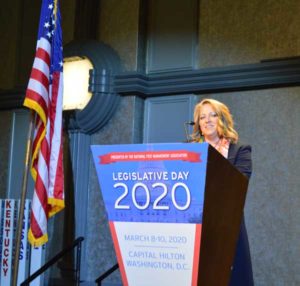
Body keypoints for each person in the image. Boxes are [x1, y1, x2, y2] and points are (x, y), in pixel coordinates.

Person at [191, 98, 254, 286]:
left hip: (228, 225)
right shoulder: (189, 151)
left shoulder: (240, 150)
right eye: (202, 117)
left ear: (223, 120)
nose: (207, 120)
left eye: (213, 115)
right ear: (198, 124)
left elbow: (239, 184)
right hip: (197, 227)